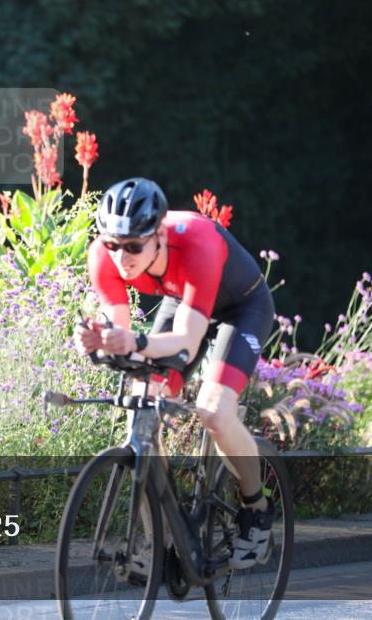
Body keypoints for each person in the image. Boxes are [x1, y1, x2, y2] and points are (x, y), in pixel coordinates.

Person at [73, 177, 276, 570]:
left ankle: (257, 507)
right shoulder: (104, 255)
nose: (122, 257)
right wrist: (99, 338)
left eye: (134, 246)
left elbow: (185, 341)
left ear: (159, 235)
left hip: (242, 307)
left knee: (214, 410)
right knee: (140, 413)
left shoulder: (196, 243)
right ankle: (159, 545)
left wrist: (132, 341)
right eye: (113, 245)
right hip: (182, 298)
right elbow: (118, 325)